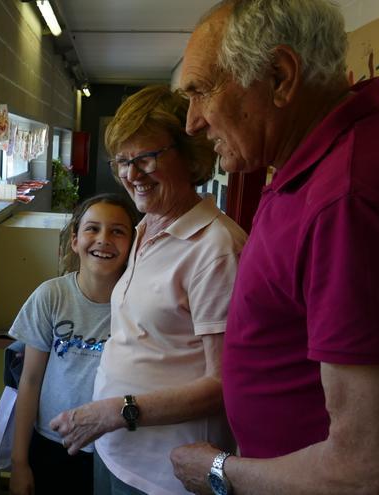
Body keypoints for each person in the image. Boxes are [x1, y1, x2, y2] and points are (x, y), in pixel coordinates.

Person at [169, 1, 379, 494]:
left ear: (280, 76)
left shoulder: (349, 196)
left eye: (201, 92)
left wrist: (218, 471)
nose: (193, 123)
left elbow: (373, 476)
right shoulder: (324, 165)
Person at [49, 84, 247, 494]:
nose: (130, 174)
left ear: (190, 155)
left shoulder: (215, 248)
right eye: (122, 160)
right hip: (114, 450)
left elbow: (226, 384)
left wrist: (116, 411)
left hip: (164, 473)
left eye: (145, 158)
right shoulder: (143, 229)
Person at [9, 193, 140, 495]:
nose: (103, 239)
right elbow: (29, 381)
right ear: (74, 240)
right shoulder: (51, 296)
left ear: (132, 244)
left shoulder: (139, 305)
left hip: (114, 448)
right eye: (92, 228)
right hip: (53, 443)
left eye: (117, 231)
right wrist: (19, 461)